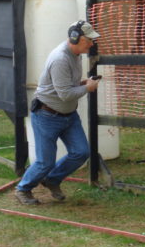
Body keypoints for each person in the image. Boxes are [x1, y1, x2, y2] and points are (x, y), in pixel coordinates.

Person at [15, 20, 100, 205]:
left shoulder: (75, 55)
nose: (92, 44)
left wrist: (83, 83)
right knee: (45, 162)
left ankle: (52, 180)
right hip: (47, 115)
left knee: (81, 152)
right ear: (76, 38)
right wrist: (88, 88)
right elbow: (65, 94)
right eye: (89, 40)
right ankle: (23, 189)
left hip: (68, 114)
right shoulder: (60, 58)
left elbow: (67, 86)